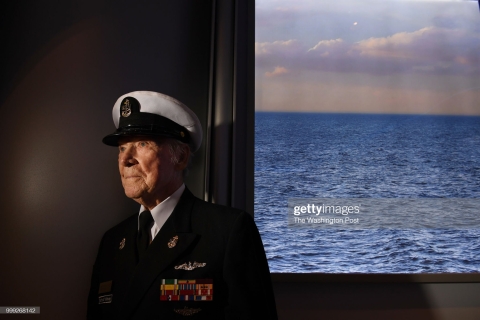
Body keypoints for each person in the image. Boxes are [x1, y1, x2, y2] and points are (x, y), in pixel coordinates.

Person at [87, 91, 277, 319]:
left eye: (142, 143)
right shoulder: (112, 241)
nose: (126, 159)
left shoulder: (228, 232)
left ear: (181, 157)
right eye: (121, 148)